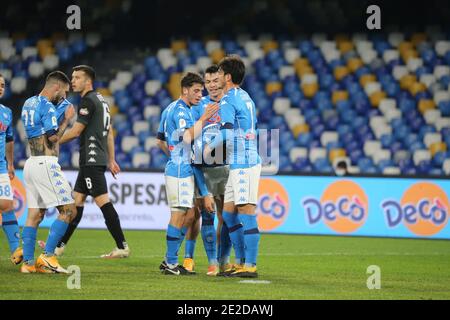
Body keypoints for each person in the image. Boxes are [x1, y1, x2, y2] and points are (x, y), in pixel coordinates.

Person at [58, 65, 129, 258]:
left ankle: (122, 246)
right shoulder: (102, 101)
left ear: (87, 81)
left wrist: (53, 141)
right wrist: (111, 159)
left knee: (103, 203)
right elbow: (109, 134)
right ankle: (59, 245)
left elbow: (75, 132)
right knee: (77, 202)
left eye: (77, 77)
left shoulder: (88, 101)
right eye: (72, 77)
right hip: (93, 161)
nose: (72, 81)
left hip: (90, 160)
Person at [205, 55, 261, 278]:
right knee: (228, 215)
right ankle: (240, 261)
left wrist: (208, 148)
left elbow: (227, 133)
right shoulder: (246, 97)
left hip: (244, 162)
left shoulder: (228, 100)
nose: (216, 79)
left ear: (227, 77)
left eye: (219, 74)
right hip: (240, 160)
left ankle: (251, 265)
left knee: (246, 211)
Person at [159, 72, 218, 275]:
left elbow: (163, 140)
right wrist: (204, 117)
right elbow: (186, 137)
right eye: (196, 90)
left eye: (201, 91)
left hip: (180, 167)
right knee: (178, 216)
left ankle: (170, 261)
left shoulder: (175, 108)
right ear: (184, 90)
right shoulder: (182, 111)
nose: (200, 94)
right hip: (179, 169)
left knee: (185, 213)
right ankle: (171, 263)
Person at [20, 71, 76, 273]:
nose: (64, 97)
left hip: (31, 163)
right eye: (64, 93)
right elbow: (53, 138)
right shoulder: (48, 107)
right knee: (69, 210)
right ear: (56, 87)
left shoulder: (28, 103)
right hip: (46, 163)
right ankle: (48, 257)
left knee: (35, 214)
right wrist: (66, 120)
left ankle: (27, 264)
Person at [188, 65, 235, 276]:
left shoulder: (231, 102)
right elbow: (191, 139)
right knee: (206, 215)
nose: (211, 86)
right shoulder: (199, 106)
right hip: (205, 169)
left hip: (226, 168)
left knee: (228, 217)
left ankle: (224, 260)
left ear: (224, 80)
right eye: (207, 82)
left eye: (215, 81)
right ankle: (212, 262)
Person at [0, 73, 21, 265]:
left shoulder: (6, 112)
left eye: (2, 85)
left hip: (0, 167)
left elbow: (9, 140)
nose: (0, 87)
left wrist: (11, 163)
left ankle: (16, 249)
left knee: (7, 205)